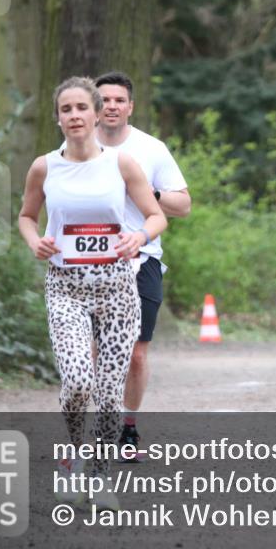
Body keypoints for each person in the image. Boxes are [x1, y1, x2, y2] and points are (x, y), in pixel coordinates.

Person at [18, 76, 166, 508]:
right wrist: (35, 241)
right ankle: (73, 455)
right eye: (66, 109)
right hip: (66, 287)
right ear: (57, 118)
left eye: (82, 107)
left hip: (118, 288)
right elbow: (26, 216)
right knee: (78, 381)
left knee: (109, 391)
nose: (75, 115)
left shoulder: (122, 164)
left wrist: (139, 237)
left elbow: (156, 216)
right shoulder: (44, 166)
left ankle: (99, 477)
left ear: (97, 114)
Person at [89, 71, 190, 461]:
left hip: (141, 259)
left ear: (130, 107)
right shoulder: (75, 147)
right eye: (105, 100)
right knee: (95, 351)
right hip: (90, 259)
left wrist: (149, 192)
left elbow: (183, 205)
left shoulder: (152, 149)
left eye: (119, 100)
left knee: (136, 354)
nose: (112, 106)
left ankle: (128, 429)